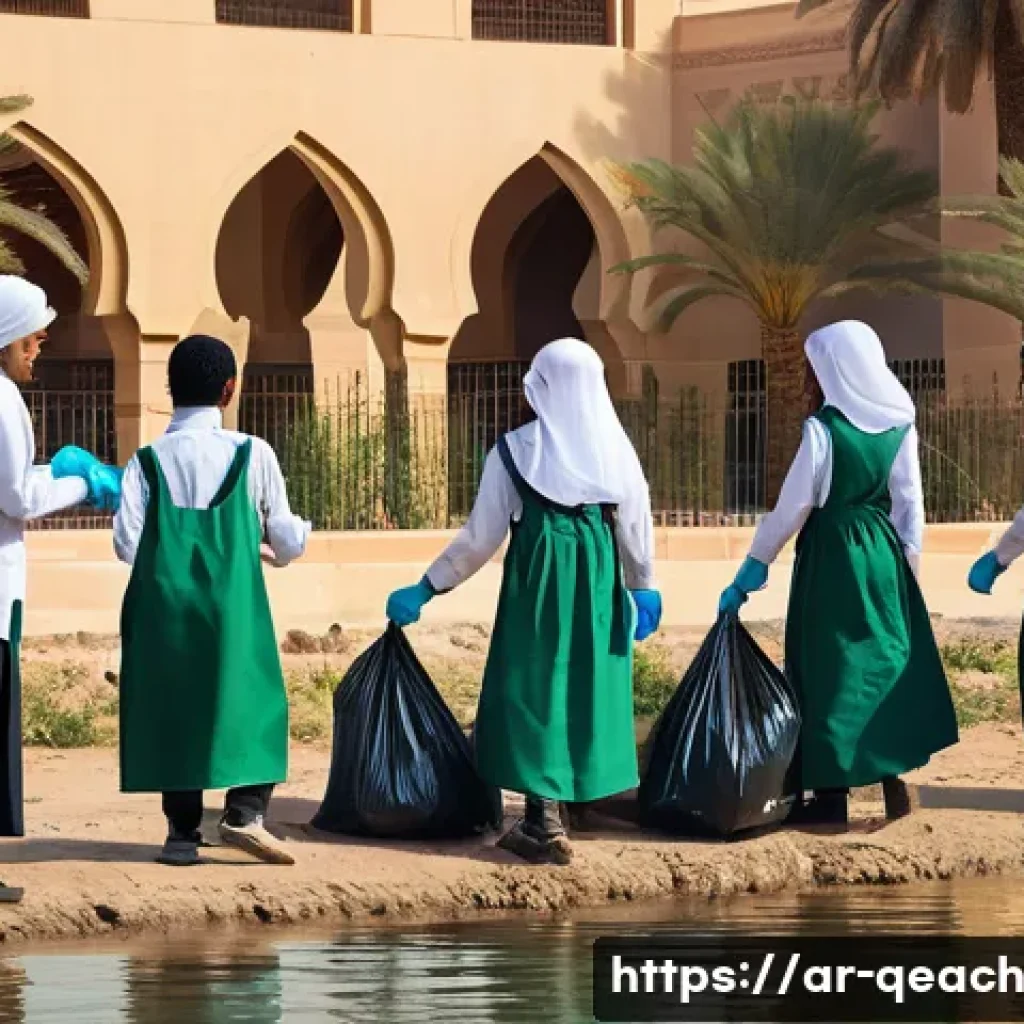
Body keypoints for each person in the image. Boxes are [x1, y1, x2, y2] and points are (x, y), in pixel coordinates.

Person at [386, 338, 661, 864]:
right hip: (598, 583)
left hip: (538, 585)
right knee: (585, 682)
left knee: (536, 685)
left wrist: (428, 586)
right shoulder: (616, 451)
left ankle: (543, 819)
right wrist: (642, 583)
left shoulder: (515, 451)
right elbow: (634, 524)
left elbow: (479, 538)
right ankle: (568, 807)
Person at [719, 320, 958, 827]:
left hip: (833, 555)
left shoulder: (823, 430)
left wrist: (753, 567)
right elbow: (910, 503)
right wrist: (907, 570)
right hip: (882, 553)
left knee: (830, 668)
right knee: (882, 662)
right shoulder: (900, 422)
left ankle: (830, 796)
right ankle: (894, 779)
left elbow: (793, 508)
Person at [113, 334, 311, 868]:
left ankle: (181, 833)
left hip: (162, 606)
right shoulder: (253, 454)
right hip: (234, 603)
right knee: (254, 699)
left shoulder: (146, 460)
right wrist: (287, 542)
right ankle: (244, 813)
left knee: (174, 706)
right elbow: (286, 539)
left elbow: (127, 543)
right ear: (229, 390)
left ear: (170, 389)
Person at [0, 276, 119, 874]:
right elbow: (18, 497)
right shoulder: (2, 401)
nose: (39, 347)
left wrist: (58, 470)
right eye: (31, 339)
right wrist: (82, 483)